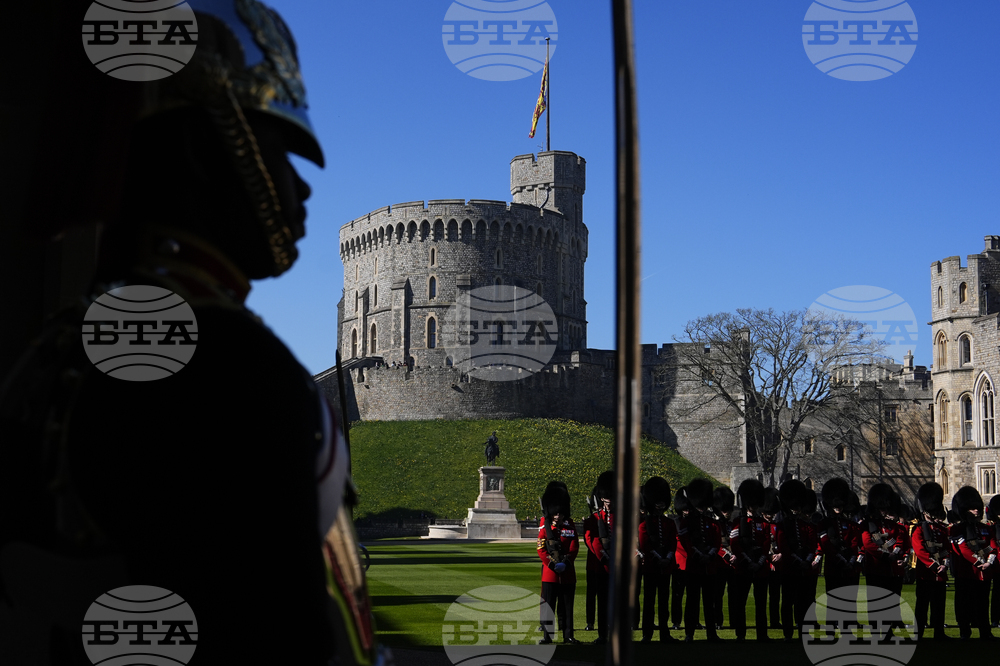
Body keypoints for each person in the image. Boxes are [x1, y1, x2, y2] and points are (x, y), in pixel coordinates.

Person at [0, 3, 380, 664]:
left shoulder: (55, 348)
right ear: (208, 153)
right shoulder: (233, 367)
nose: (302, 186)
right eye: (279, 147)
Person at [676, 477, 722, 642]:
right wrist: (697, 554)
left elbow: (717, 540)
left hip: (708, 565)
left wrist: (709, 554)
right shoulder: (687, 522)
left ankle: (711, 633)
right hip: (694, 565)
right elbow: (685, 541)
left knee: (710, 602)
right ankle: (689, 633)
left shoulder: (711, 522)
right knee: (692, 601)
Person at [775, 479, 821, 642]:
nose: (796, 510)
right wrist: (796, 559)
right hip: (790, 567)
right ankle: (788, 632)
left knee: (803, 602)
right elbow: (783, 545)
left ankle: (804, 631)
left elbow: (812, 543)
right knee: (788, 602)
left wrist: (807, 560)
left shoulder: (806, 525)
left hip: (804, 567)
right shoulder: (783, 524)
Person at [950, 485, 997, 640]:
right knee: (964, 603)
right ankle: (965, 631)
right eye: (972, 509)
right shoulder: (957, 529)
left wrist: (989, 562)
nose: (976, 511)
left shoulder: (984, 528)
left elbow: (992, 546)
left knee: (983, 604)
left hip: (983, 573)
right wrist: (979, 563)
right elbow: (963, 549)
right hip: (966, 572)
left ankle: (985, 631)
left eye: (977, 508)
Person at [729, 478, 772, 642]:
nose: (753, 507)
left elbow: (766, 543)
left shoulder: (763, 523)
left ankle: (762, 633)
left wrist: (760, 561)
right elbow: (735, 544)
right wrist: (747, 561)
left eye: (755, 504)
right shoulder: (738, 521)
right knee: (741, 603)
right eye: (751, 504)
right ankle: (741, 634)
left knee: (761, 603)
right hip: (744, 566)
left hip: (760, 567)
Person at [537, 481, 580, 644]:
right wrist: (552, 565)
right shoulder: (545, 525)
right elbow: (541, 548)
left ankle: (568, 635)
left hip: (567, 572)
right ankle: (547, 636)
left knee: (568, 607)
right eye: (555, 513)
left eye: (560, 513)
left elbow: (574, 546)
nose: (558, 516)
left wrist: (567, 562)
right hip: (551, 573)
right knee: (549, 607)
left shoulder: (570, 525)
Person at [818, 478, 863, 630]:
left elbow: (853, 542)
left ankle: (848, 620)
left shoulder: (848, 523)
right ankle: (832, 622)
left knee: (849, 595)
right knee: (833, 594)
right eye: (835, 505)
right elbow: (826, 544)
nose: (838, 508)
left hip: (848, 562)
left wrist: (850, 560)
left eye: (840, 505)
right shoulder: (825, 523)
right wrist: (840, 559)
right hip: (834, 564)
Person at [638, 476, 677, 642]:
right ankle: (647, 634)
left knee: (663, 602)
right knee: (649, 602)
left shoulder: (669, 522)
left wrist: (667, 558)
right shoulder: (645, 523)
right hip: (651, 566)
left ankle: (664, 633)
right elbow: (645, 545)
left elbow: (672, 542)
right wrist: (658, 558)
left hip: (665, 565)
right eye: (658, 501)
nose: (660, 505)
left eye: (663, 501)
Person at [911, 482, 951, 641]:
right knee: (922, 606)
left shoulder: (941, 529)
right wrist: (934, 566)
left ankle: (939, 633)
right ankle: (918, 633)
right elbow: (920, 551)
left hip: (939, 574)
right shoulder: (919, 529)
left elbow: (946, 549)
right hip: (925, 573)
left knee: (939, 605)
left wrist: (945, 564)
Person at [584, 471, 615, 644]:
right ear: (601, 499)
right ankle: (603, 634)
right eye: (606, 499)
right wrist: (605, 556)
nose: (609, 503)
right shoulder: (594, 518)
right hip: (602, 567)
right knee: (602, 602)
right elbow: (592, 540)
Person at [712, 486, 737, 633]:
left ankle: (734, 620)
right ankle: (718, 621)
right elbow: (716, 543)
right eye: (724, 510)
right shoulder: (715, 524)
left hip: (733, 565)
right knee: (718, 595)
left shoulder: (732, 524)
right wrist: (726, 554)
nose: (727, 513)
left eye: (728, 510)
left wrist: (736, 555)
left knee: (733, 595)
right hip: (720, 564)